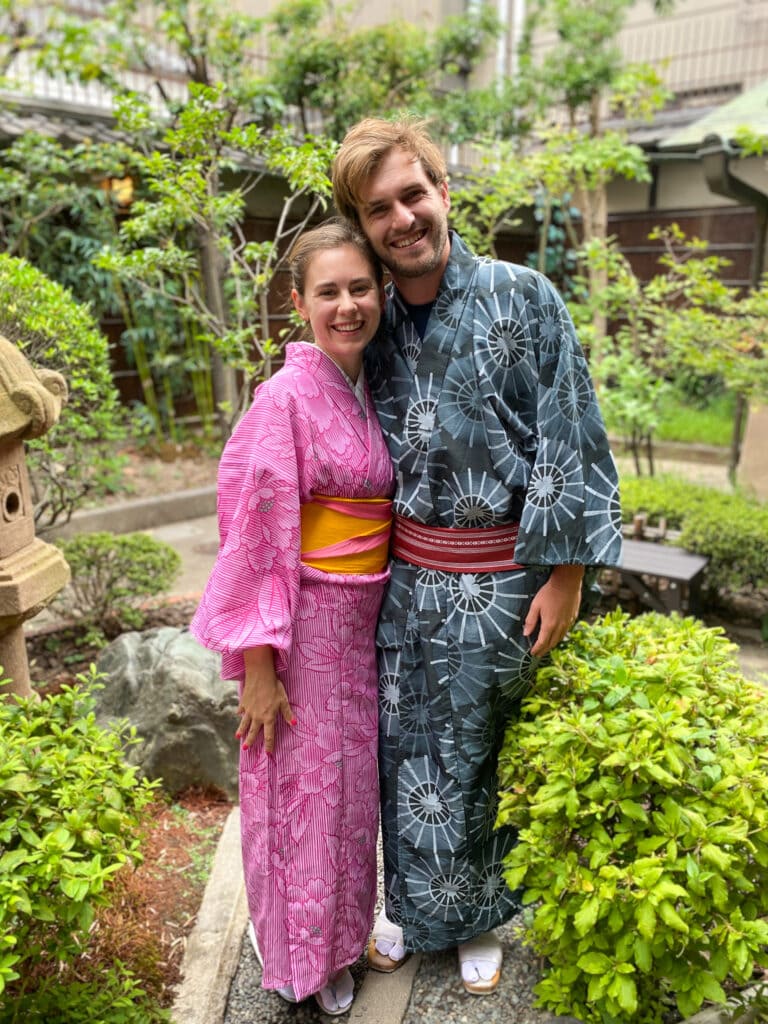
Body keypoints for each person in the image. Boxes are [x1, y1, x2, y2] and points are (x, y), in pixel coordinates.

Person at [331, 118, 622, 995]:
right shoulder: (368, 322)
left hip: (504, 578)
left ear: (444, 191)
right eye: (378, 208)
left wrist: (566, 572)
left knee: (483, 755)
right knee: (404, 757)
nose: (402, 219)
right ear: (364, 223)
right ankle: (416, 913)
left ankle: (478, 917)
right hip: (404, 581)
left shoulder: (524, 297)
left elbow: (572, 429)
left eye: (413, 195)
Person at [190, 220, 395, 1015]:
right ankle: (300, 962)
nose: (347, 305)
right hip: (302, 625)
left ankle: (340, 941)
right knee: (301, 799)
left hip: (358, 630)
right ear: (298, 304)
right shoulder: (285, 398)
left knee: (349, 801)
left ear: (378, 293)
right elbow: (260, 535)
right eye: (328, 291)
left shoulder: (368, 386)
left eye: (359, 287)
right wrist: (261, 669)